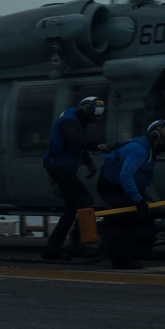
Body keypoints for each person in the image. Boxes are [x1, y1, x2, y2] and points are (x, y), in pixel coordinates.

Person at [97, 119, 165, 269]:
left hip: (121, 186)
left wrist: (139, 198)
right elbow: (125, 175)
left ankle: (135, 252)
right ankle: (120, 258)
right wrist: (138, 200)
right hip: (111, 186)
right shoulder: (140, 150)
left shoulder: (149, 149)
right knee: (133, 216)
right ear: (155, 136)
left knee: (143, 216)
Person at [42, 96, 111, 260]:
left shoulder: (79, 118)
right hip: (60, 168)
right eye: (93, 115)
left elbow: (76, 145)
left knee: (73, 208)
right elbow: (75, 139)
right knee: (85, 201)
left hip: (62, 167)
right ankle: (76, 245)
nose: (94, 119)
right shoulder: (69, 121)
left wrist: (88, 163)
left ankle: (57, 249)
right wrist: (98, 146)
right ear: (84, 110)